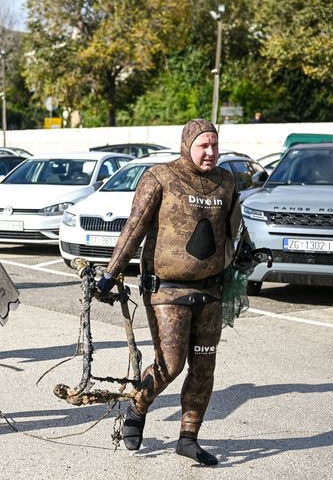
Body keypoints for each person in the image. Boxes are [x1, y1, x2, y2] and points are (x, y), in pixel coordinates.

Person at [96, 119, 249, 466]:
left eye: (214, 145)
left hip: (211, 291)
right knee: (171, 363)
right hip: (167, 289)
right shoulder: (160, 177)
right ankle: (137, 408)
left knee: (204, 367)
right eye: (203, 146)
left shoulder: (226, 181)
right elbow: (133, 228)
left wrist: (248, 252)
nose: (210, 152)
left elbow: (236, 229)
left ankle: (188, 438)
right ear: (187, 145)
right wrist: (110, 273)